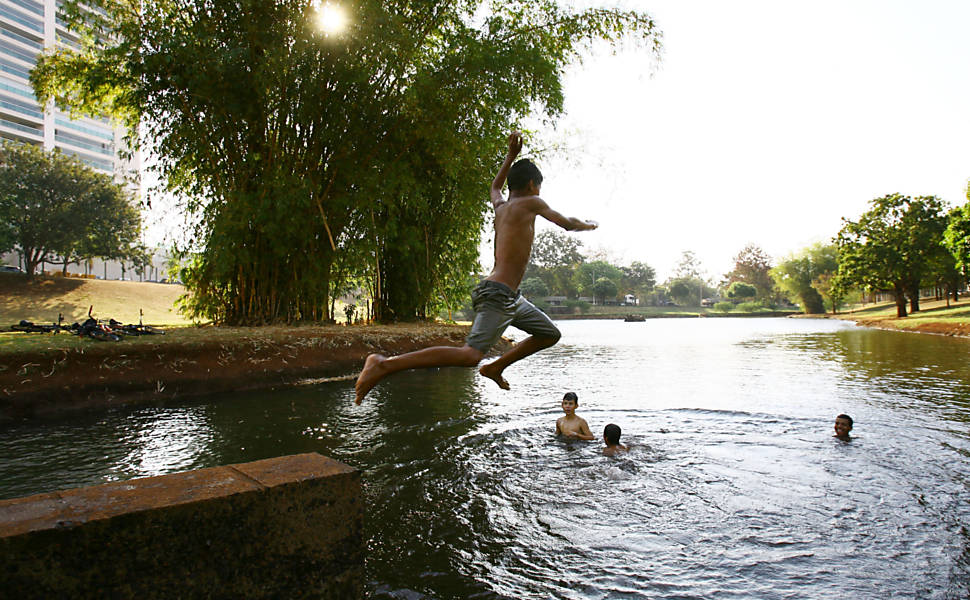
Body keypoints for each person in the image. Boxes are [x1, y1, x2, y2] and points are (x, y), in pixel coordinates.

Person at [354, 131, 598, 403]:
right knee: (470, 355)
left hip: (510, 297)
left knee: (549, 333)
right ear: (532, 185)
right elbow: (566, 222)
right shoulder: (532, 203)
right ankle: (383, 363)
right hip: (498, 294)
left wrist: (510, 157)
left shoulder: (501, 206)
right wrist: (588, 224)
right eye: (539, 187)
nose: (540, 192)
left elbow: (494, 188)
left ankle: (496, 367)